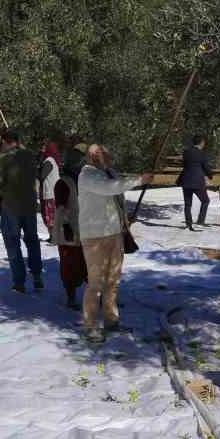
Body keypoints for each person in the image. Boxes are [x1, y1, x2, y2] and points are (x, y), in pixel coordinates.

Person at [77, 144, 139, 343]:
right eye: (99, 153)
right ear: (91, 156)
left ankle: (112, 322)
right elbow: (108, 189)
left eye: (104, 153)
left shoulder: (107, 174)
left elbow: (114, 197)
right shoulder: (87, 175)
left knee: (113, 281)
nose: (104, 156)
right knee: (95, 283)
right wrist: (139, 179)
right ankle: (91, 326)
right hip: (94, 237)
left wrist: (123, 220)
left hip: (114, 234)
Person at [0, 129, 44, 293]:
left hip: (11, 207)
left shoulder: (4, 159)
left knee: (13, 243)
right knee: (32, 241)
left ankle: (19, 281)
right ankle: (37, 276)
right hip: (29, 206)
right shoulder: (30, 156)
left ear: (4, 141)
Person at [51, 145, 89, 310]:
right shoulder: (63, 183)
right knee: (70, 266)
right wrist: (64, 229)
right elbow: (60, 210)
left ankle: (98, 296)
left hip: (88, 230)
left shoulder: (86, 181)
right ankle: (71, 297)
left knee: (90, 264)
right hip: (70, 231)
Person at [180, 135, 215, 231]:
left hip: (185, 180)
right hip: (197, 182)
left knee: (187, 204)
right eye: (204, 143)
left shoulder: (186, 152)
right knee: (205, 201)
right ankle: (200, 221)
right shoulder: (201, 154)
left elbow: (184, 165)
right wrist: (210, 175)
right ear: (201, 143)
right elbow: (206, 167)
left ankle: (188, 224)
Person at [38, 140, 63, 240]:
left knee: (51, 217)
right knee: (50, 216)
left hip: (51, 194)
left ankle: (55, 237)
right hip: (52, 192)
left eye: (44, 147)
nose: (42, 149)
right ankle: (52, 236)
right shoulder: (50, 159)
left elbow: (41, 176)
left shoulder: (49, 161)